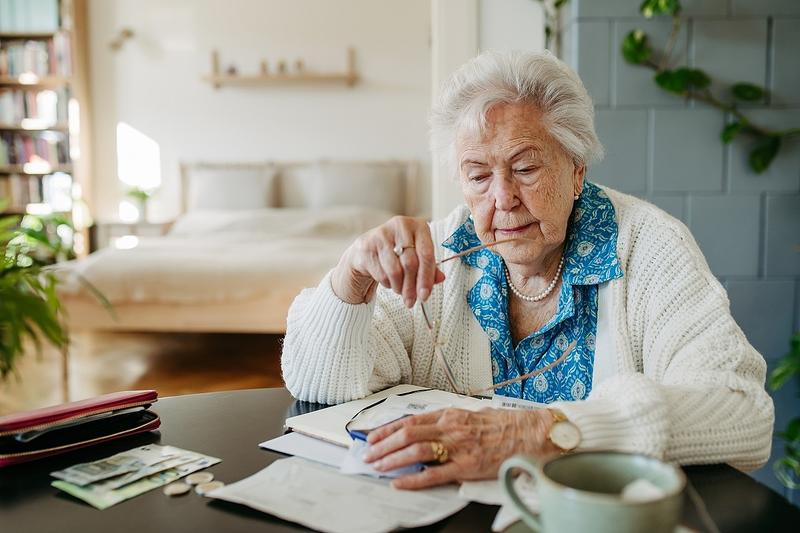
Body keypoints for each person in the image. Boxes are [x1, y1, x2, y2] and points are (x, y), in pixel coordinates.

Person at [281, 50, 774, 490]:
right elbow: (322, 386)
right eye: (478, 175)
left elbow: (742, 413)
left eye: (525, 167)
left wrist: (548, 431)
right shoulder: (442, 255)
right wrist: (350, 280)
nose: (502, 199)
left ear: (576, 168)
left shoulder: (648, 247)